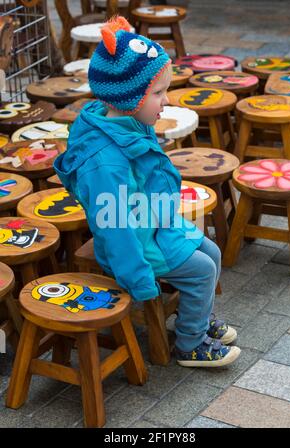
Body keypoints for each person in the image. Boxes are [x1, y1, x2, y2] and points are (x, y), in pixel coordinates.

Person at [54, 16, 241, 367]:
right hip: (134, 246)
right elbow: (115, 228)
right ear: (127, 98)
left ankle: (196, 318)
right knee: (201, 271)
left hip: (152, 225)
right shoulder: (106, 162)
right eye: (157, 93)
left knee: (212, 253)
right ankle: (190, 343)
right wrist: (137, 278)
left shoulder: (127, 121)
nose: (166, 100)